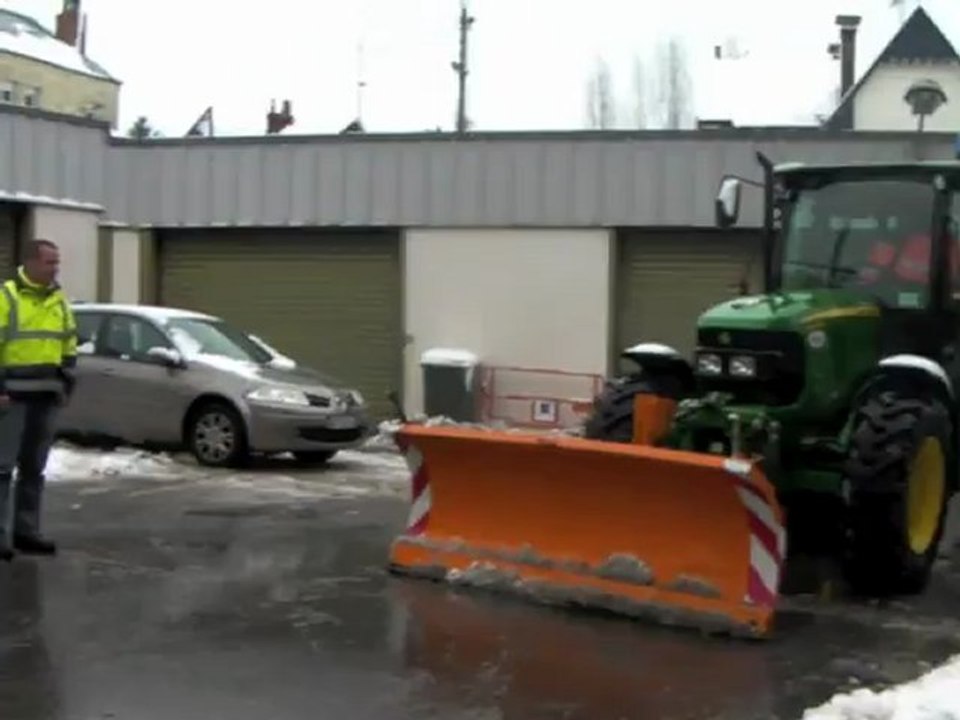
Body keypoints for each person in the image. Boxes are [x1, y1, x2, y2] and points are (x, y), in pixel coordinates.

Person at [0, 239, 77, 561]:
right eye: (49, 262)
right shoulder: (6, 297)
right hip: (11, 397)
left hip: (46, 396)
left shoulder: (59, 300)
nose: (55, 268)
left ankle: (26, 531)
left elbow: (68, 344)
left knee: (34, 468)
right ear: (30, 263)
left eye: (57, 262)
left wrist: (66, 383)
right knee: (2, 470)